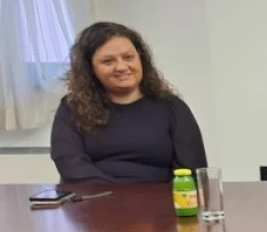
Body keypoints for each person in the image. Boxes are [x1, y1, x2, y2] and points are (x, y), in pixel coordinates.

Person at [51, 22, 207, 183]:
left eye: (128, 57)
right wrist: (116, 195)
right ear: (91, 69)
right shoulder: (73, 108)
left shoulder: (172, 107)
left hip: (160, 196)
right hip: (95, 196)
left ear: (141, 59)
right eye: (108, 61)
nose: (121, 67)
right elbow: (70, 164)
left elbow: (191, 170)